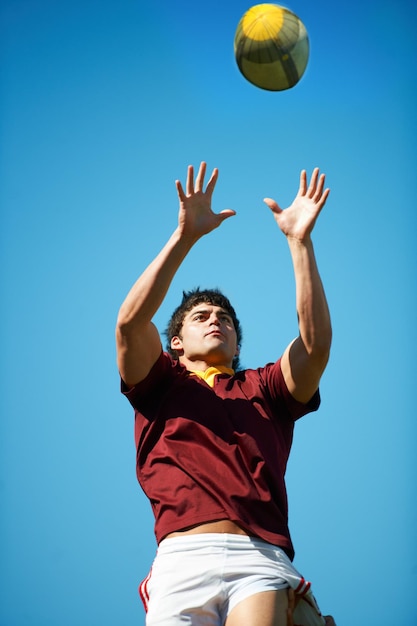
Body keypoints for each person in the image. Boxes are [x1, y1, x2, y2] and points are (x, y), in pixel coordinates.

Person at [116, 162, 336, 626]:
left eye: (226, 318)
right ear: (175, 342)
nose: (216, 319)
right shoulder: (159, 385)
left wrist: (300, 242)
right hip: (180, 560)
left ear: (237, 343)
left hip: (258, 555)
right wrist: (185, 237)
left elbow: (315, 349)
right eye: (201, 316)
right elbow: (130, 326)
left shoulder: (264, 388)